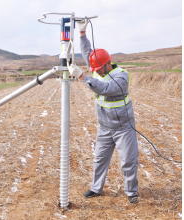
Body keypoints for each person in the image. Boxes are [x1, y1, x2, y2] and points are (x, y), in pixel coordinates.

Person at [68, 19, 139, 204]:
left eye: (97, 69)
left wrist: (82, 77)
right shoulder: (99, 70)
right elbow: (88, 54)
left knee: (128, 162)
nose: (96, 72)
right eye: (94, 70)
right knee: (99, 159)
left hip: (124, 127)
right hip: (105, 127)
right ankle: (96, 188)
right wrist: (82, 34)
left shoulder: (121, 77)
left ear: (107, 64)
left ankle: (132, 192)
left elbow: (104, 89)